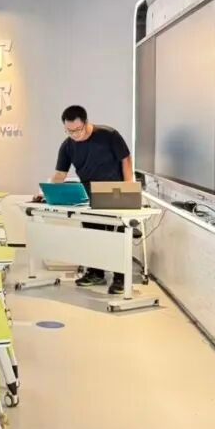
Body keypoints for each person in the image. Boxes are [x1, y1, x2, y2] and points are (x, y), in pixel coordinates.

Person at [51, 105, 134, 293]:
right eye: (69, 130)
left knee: (116, 236)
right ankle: (96, 273)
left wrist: (128, 188)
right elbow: (60, 174)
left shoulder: (108, 135)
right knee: (93, 235)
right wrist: (45, 192)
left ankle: (121, 278)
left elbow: (126, 159)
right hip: (89, 196)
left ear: (86, 123)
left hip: (114, 192)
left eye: (77, 130)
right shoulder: (68, 146)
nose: (74, 134)